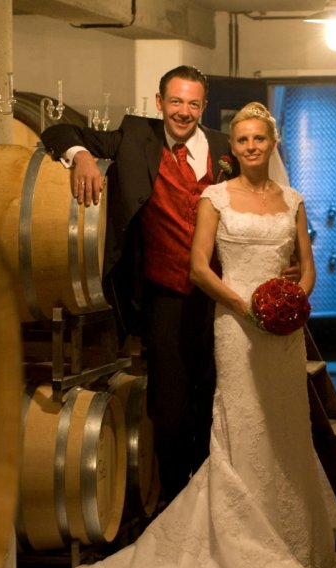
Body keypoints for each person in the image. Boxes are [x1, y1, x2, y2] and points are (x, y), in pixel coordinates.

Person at [38, 102, 335, 568]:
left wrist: (294, 302)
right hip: (236, 323)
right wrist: (244, 306)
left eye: (259, 139)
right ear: (232, 146)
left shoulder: (293, 199)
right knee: (241, 425)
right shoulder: (214, 197)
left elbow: (305, 265)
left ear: (272, 144)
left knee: (287, 427)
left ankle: (290, 538)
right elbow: (198, 268)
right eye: (242, 140)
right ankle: (241, 541)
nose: (251, 147)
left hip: (281, 334)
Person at [41, 66, 299, 505]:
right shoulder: (133, 136)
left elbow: (265, 197)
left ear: (204, 106)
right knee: (170, 409)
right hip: (165, 297)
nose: (183, 111)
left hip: (224, 296)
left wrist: (283, 257)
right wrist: (81, 156)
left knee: (219, 402)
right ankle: (177, 505)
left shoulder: (225, 145)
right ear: (160, 103)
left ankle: (217, 501)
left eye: (193, 103)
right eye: (176, 102)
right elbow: (59, 130)